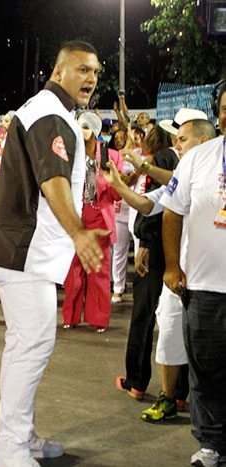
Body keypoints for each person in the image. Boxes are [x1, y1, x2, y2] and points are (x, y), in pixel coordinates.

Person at [0, 40, 105, 467]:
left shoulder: (48, 109)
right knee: (32, 345)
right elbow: (53, 180)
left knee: (24, 345)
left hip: (18, 244)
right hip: (22, 247)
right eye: (83, 70)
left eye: (96, 73)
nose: (91, 79)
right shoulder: (50, 113)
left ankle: (19, 437)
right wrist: (80, 233)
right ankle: (9, 449)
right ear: (60, 71)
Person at [102, 108, 215, 424]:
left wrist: (143, 164)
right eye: (175, 138)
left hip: (211, 277)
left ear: (203, 140)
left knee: (205, 343)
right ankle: (170, 397)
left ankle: (199, 409)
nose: (176, 146)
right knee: (168, 330)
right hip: (180, 271)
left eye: (182, 139)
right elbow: (151, 204)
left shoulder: (212, 171)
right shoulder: (182, 174)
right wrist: (122, 182)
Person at [160, 84, 226, 467]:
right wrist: (172, 265)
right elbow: (172, 211)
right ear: (217, 116)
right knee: (207, 371)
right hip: (203, 288)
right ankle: (212, 444)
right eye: (224, 107)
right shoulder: (197, 158)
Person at [115, 126, 175, 402]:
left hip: (158, 248)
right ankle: (178, 391)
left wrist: (146, 244)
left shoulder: (163, 160)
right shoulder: (196, 161)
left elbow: (152, 207)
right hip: (178, 251)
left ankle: (137, 380)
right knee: (174, 320)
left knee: (144, 315)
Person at [61, 112, 121, 332]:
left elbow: (118, 195)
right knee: (73, 272)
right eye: (79, 126)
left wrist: (109, 179)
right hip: (74, 217)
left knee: (98, 271)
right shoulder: (68, 155)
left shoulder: (111, 156)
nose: (81, 130)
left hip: (99, 217)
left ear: (95, 131)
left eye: (86, 127)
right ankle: (70, 315)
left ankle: (98, 319)